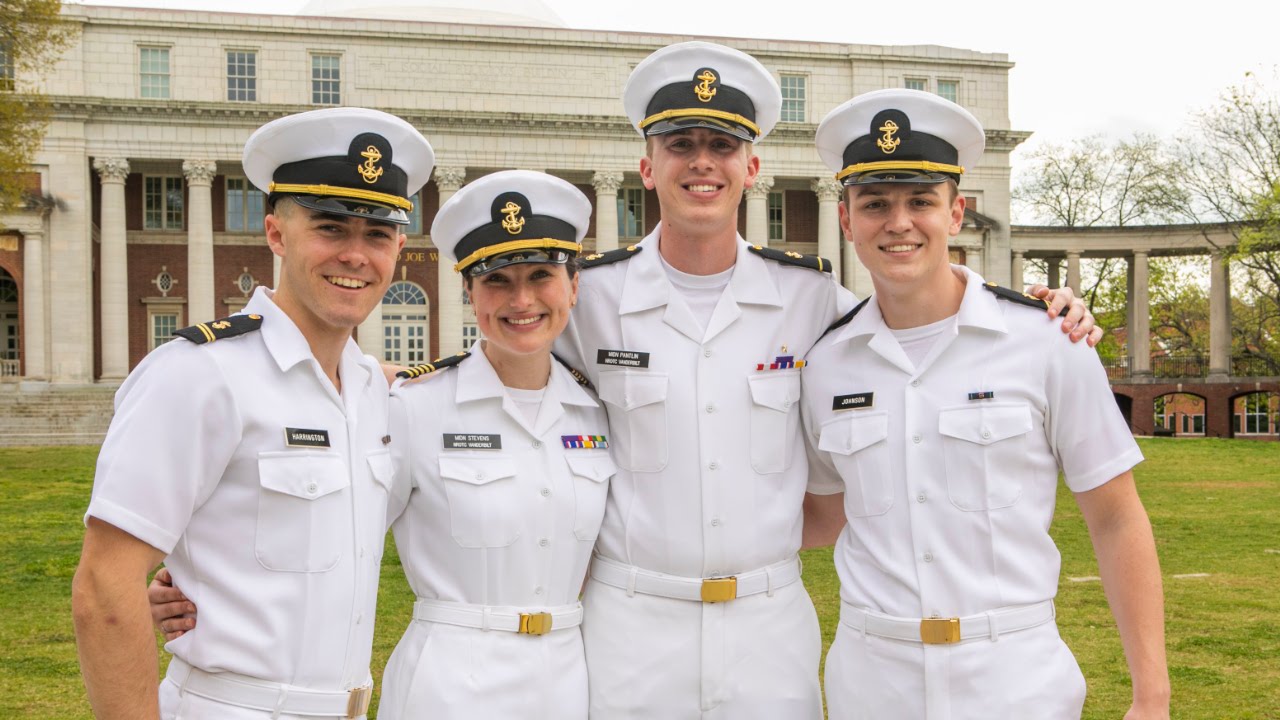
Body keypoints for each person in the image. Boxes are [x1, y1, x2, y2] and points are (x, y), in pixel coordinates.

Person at [556, 41, 1102, 719]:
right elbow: (502, 366)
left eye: (722, 145)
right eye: (680, 143)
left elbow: (916, 316)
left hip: (767, 618)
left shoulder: (811, 300)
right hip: (630, 620)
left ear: (752, 168)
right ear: (646, 166)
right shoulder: (586, 299)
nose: (702, 161)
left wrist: (1043, 309)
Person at [800, 88, 1169, 719]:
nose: (898, 222)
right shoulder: (825, 362)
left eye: (921, 201)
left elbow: (1116, 518)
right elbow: (828, 514)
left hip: (1014, 676)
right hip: (872, 680)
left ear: (957, 212)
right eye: (875, 204)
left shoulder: (1047, 340)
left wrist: (1151, 696)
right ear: (845, 219)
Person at [71, 107, 434, 720]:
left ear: (398, 248)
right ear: (276, 233)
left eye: (376, 235)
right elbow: (105, 589)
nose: (355, 255)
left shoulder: (374, 393)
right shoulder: (199, 374)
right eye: (331, 228)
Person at [375, 170, 611, 720]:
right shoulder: (416, 406)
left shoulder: (596, 412)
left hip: (568, 677)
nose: (521, 299)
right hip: (452, 684)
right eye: (497, 280)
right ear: (470, 293)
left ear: (574, 286)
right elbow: (342, 538)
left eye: (541, 276)